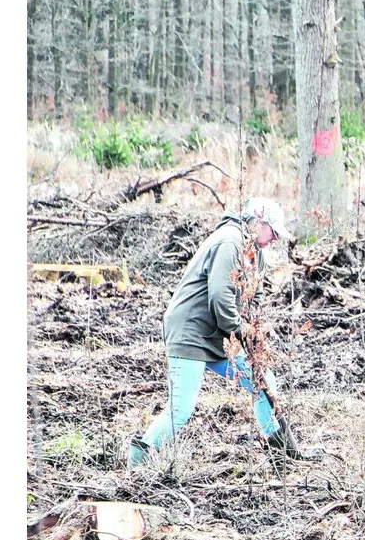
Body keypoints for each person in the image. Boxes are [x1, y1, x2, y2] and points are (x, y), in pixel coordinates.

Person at [127, 198, 320, 469]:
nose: (274, 239)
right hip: (191, 331)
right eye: (273, 232)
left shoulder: (257, 251)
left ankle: (283, 457)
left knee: (262, 381)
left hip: (220, 334)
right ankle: (136, 464)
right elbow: (220, 296)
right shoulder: (230, 241)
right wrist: (241, 331)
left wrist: (255, 331)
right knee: (181, 408)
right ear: (258, 222)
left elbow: (256, 294)